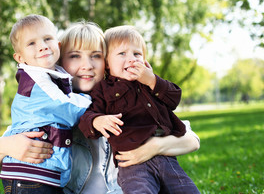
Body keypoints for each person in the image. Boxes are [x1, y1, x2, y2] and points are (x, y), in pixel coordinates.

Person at [0, 21, 200, 194]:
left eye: (96, 56)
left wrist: (152, 148)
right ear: (59, 61)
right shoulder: (52, 108)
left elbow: (191, 140)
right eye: (75, 56)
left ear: (107, 62)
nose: (87, 65)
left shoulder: (126, 101)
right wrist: (4, 147)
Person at [78, 25, 200, 194]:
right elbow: (87, 117)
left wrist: (152, 80)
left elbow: (174, 98)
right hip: (132, 164)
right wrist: (96, 120)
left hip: (166, 159)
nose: (132, 59)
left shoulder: (150, 83)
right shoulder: (103, 89)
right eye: (122, 54)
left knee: (186, 190)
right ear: (106, 63)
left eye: (137, 54)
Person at [0, 14, 92, 193]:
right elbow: (67, 108)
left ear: (58, 45)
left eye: (47, 38)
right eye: (31, 43)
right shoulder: (36, 82)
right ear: (19, 58)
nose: (42, 46)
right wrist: (94, 102)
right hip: (30, 174)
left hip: (40, 173)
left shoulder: (51, 75)